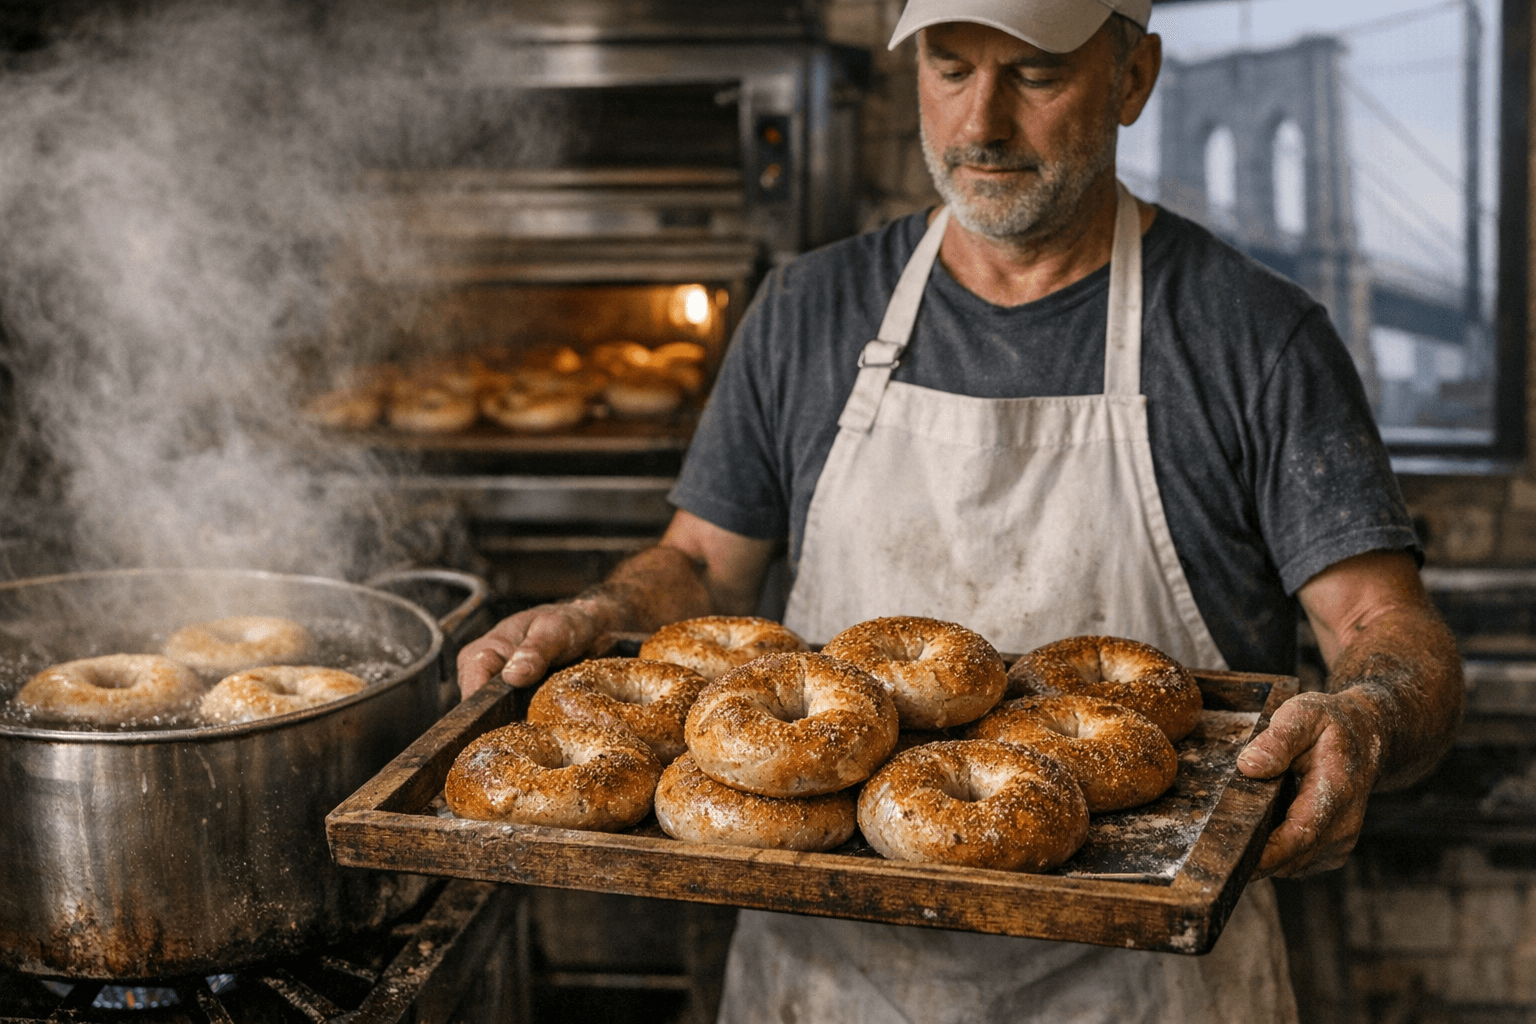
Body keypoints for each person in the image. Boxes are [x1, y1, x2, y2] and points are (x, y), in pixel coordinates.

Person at [457, 0, 1465, 1018]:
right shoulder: (809, 310)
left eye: (1033, 74)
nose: (980, 123)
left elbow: (1387, 630)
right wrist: (599, 616)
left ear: (1132, 78)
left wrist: (1365, 717)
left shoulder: (1254, 336)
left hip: (1145, 986)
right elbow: (706, 571)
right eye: (949, 67)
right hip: (835, 981)